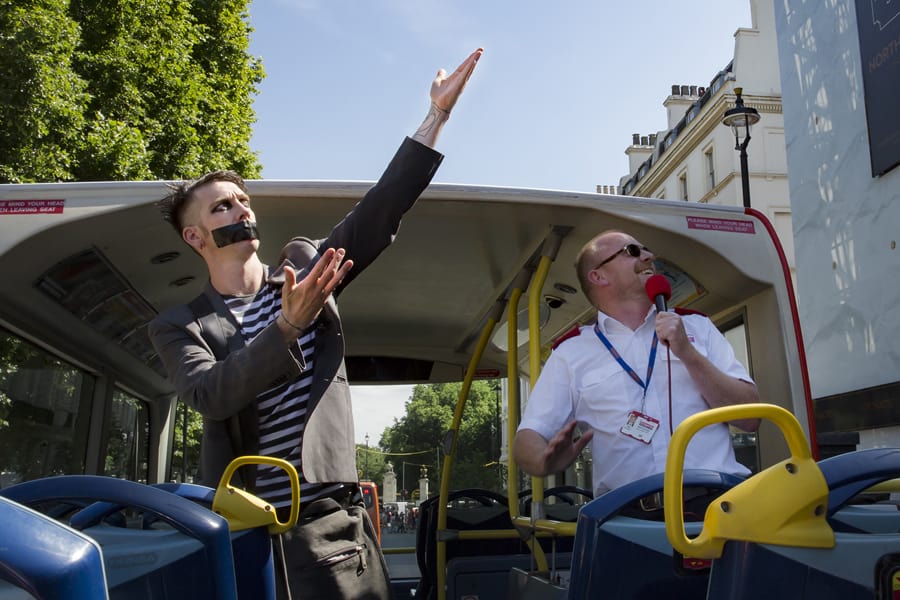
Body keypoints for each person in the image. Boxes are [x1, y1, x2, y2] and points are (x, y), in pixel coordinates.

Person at [149, 48, 483, 600]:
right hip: (246, 532)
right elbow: (210, 394)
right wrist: (285, 329)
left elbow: (379, 211)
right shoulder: (180, 324)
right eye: (222, 208)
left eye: (243, 200)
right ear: (195, 238)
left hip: (328, 525)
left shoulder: (304, 272)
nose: (241, 211)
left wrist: (436, 116)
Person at [513, 230, 760, 503]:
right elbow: (528, 436)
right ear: (599, 276)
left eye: (646, 250)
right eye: (632, 251)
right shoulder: (570, 353)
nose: (649, 256)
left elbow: (749, 417)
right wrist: (544, 462)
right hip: (627, 517)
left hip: (718, 505)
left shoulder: (697, 328)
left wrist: (687, 353)